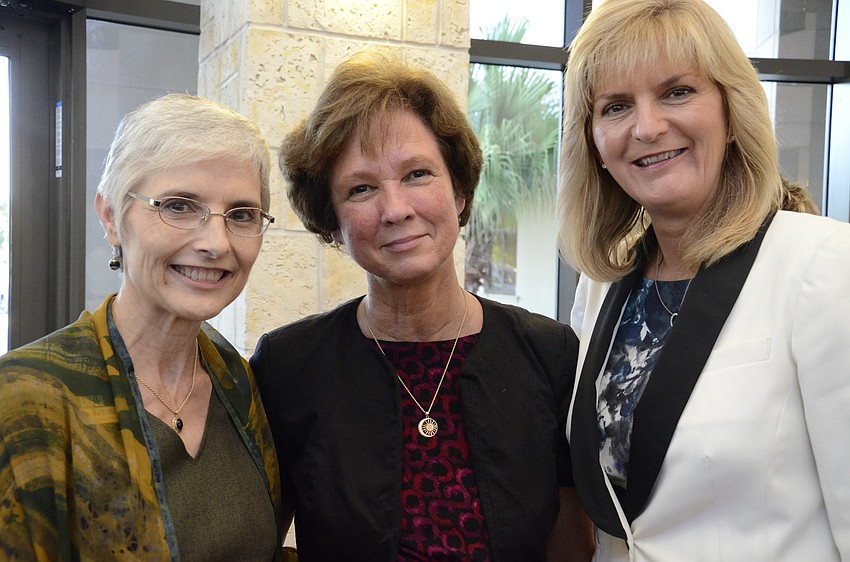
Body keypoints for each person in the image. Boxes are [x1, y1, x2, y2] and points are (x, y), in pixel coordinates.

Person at [251, 51, 594, 562]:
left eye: (417, 174)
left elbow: (572, 547)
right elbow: (257, 543)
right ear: (332, 222)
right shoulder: (289, 367)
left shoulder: (549, 354)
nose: (395, 209)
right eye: (361, 188)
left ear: (459, 191)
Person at [557, 0, 850, 560]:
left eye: (677, 92)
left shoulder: (825, 264)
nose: (647, 127)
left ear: (732, 113)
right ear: (593, 143)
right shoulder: (602, 284)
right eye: (616, 106)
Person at [0, 93, 285, 561]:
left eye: (241, 215)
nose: (216, 243)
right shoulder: (25, 397)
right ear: (111, 217)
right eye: (178, 206)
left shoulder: (240, 382)